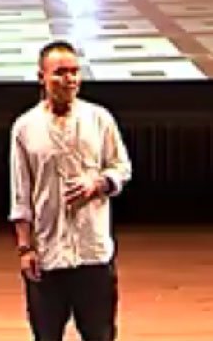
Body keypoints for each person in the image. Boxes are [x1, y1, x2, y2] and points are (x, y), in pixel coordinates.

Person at [9, 40, 132, 341]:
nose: (70, 79)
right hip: (48, 254)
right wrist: (25, 248)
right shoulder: (25, 127)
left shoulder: (99, 119)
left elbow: (121, 167)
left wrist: (98, 183)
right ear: (42, 77)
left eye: (75, 72)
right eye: (60, 72)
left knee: (99, 334)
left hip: (93, 252)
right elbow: (20, 194)